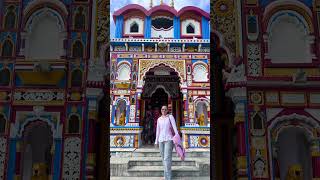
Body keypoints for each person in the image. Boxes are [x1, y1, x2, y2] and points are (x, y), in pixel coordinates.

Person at [154, 105, 179, 180]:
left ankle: (168, 178)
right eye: (162, 109)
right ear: (160, 110)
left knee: (167, 158)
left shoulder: (170, 117)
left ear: (167, 110)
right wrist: (156, 141)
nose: (163, 110)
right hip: (161, 140)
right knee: (163, 158)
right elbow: (158, 131)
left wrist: (177, 137)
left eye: (165, 109)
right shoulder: (159, 119)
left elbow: (174, 127)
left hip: (169, 139)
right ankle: (166, 176)